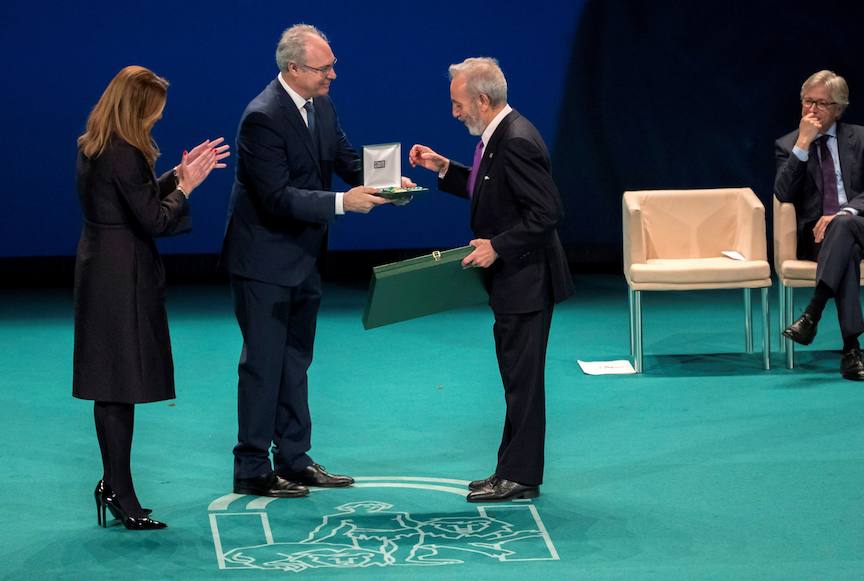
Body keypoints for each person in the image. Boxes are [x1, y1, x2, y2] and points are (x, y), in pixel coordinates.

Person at [221, 24, 407, 498]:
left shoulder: (320, 104)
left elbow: (343, 157)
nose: (333, 75)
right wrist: (345, 204)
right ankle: (250, 468)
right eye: (324, 69)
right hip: (263, 261)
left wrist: (389, 183)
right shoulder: (261, 118)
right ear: (293, 69)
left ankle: (293, 459)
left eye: (332, 66)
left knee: (296, 360)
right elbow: (277, 198)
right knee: (264, 364)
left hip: (304, 257)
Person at [409, 57, 574, 502]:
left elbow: (547, 214)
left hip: (528, 282)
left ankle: (520, 477)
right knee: (515, 380)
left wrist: (497, 246)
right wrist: (445, 168)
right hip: (514, 283)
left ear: (482, 100)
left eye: (458, 103)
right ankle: (510, 469)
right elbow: (491, 185)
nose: (454, 112)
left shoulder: (516, 140)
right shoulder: (499, 136)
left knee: (523, 383)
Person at [74, 65, 229, 529]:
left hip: (104, 267)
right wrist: (185, 186)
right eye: (154, 113)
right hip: (121, 276)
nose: (157, 120)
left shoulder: (97, 143)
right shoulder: (124, 152)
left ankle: (114, 484)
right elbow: (154, 221)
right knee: (117, 383)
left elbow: (132, 200)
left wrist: (175, 176)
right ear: (136, 108)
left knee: (114, 382)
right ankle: (118, 490)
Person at [776, 70, 864, 381]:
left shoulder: (863, 138)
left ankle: (813, 312)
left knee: (843, 227)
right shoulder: (788, 145)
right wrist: (802, 144)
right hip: (817, 238)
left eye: (820, 104)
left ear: (839, 108)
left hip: (863, 227)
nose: (811, 110)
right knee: (846, 253)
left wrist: (845, 212)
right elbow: (783, 194)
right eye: (807, 102)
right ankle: (851, 350)